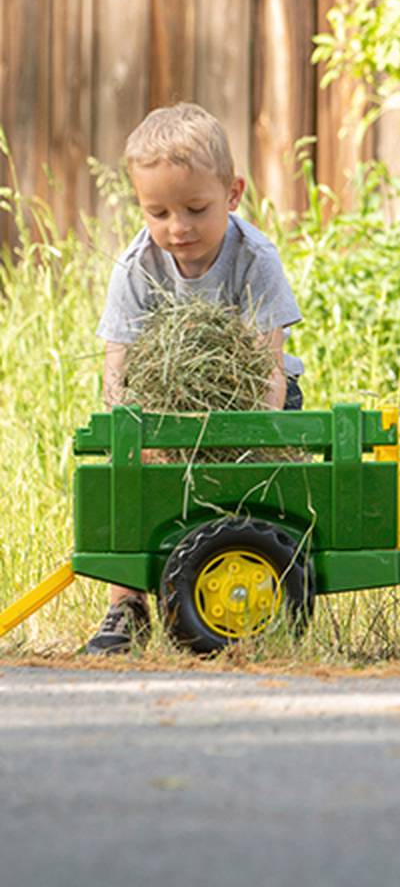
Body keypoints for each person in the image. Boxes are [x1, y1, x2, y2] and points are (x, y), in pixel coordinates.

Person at [87, 102, 303, 655]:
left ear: (233, 193)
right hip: (164, 407)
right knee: (128, 483)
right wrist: (135, 434)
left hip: (256, 401)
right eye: (157, 213)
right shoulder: (137, 267)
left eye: (195, 208)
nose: (177, 228)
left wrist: (251, 436)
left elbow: (266, 365)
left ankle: (254, 584)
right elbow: (120, 368)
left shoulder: (254, 258)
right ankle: (125, 605)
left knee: (256, 491)